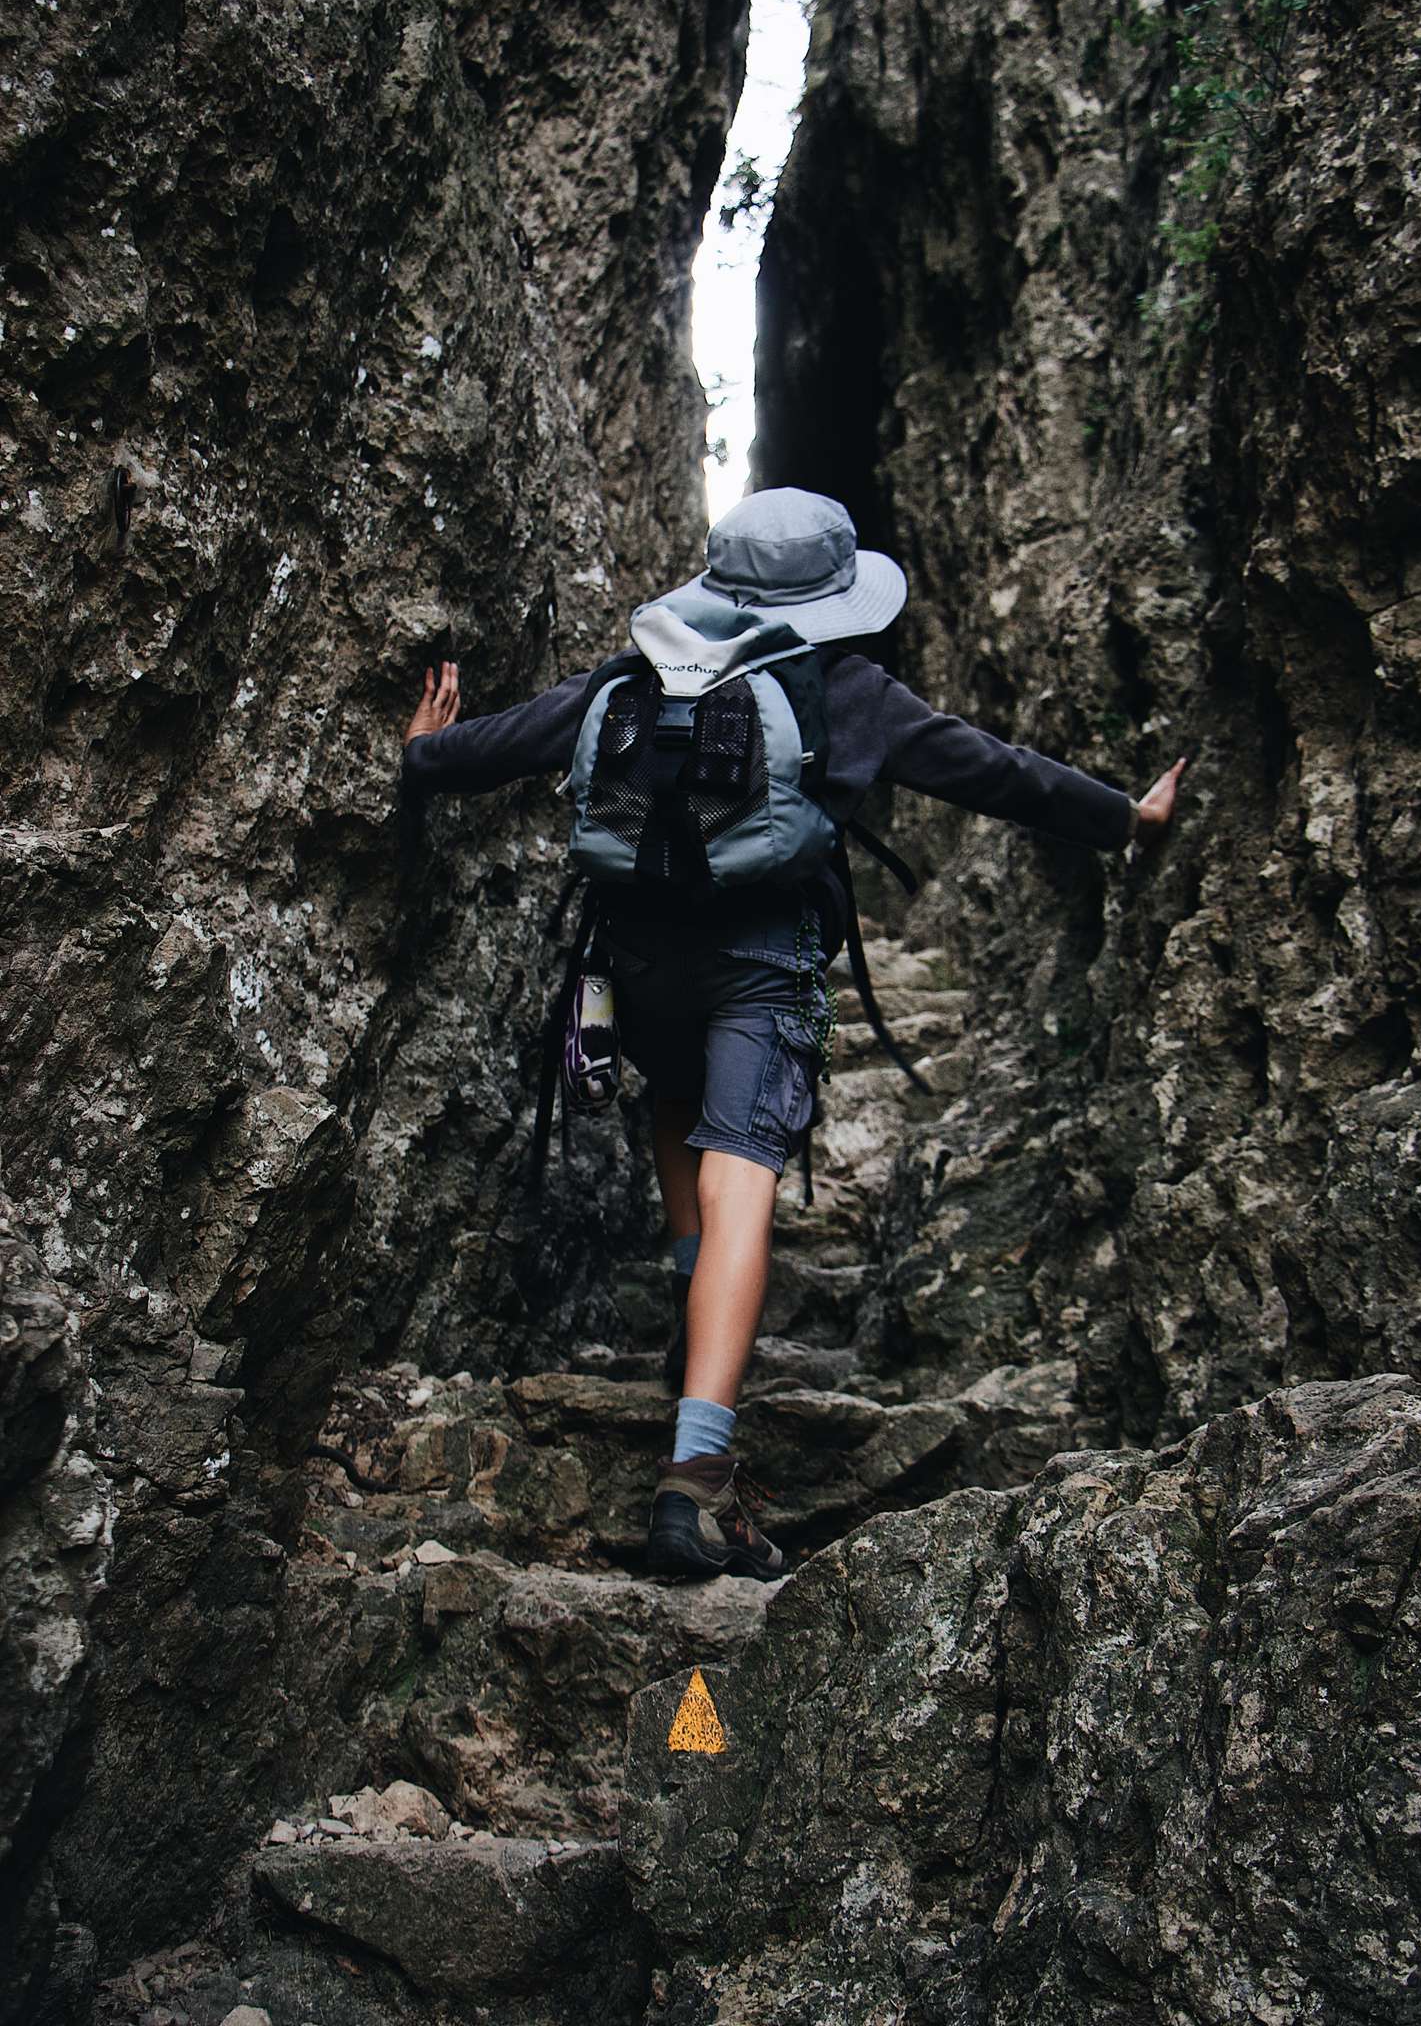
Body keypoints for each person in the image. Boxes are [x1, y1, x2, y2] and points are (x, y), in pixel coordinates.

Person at [401, 487, 1186, 1584]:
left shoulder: (636, 673)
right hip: (763, 965)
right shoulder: (845, 690)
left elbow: (517, 740)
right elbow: (990, 769)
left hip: (637, 965)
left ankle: (689, 1327)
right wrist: (1125, 817)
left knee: (679, 1107)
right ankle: (696, 1480)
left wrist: (423, 754)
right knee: (743, 1181)